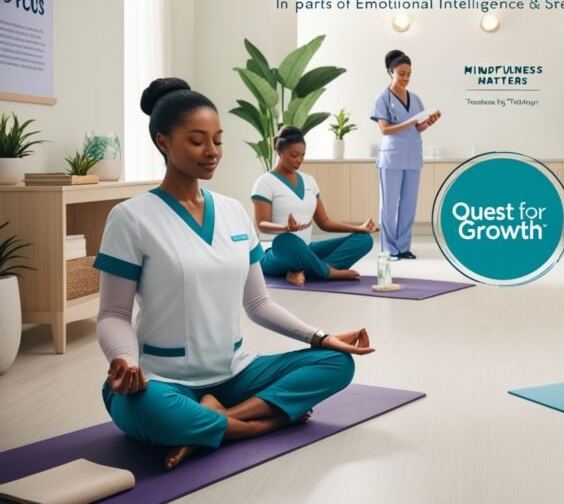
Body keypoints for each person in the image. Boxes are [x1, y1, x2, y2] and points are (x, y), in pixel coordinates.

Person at [93, 78, 375, 470]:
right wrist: (125, 360)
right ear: (163, 142)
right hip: (163, 379)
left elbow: (258, 303)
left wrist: (321, 337)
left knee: (337, 363)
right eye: (197, 141)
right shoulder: (131, 218)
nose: (212, 152)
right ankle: (262, 423)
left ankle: (213, 424)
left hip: (235, 372)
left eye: (218, 140)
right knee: (143, 408)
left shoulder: (231, 211)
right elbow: (113, 314)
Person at [252, 125, 377, 286]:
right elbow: (261, 225)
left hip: (306, 249)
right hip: (275, 251)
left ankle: (301, 270)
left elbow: (324, 222)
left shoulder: (309, 181)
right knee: (286, 241)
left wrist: (357, 228)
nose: (299, 160)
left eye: (302, 155)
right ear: (279, 152)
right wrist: (284, 228)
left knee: (364, 240)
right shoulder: (265, 182)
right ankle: (327, 272)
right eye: (294, 155)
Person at [372, 49, 440, 261]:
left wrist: (428, 122)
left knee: (409, 204)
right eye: (401, 73)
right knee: (389, 206)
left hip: (412, 156)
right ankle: (389, 250)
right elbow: (384, 129)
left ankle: (403, 247)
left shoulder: (415, 99)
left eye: (409, 74)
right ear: (391, 71)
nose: (406, 78)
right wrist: (411, 122)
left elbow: (417, 128)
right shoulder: (382, 98)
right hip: (391, 158)